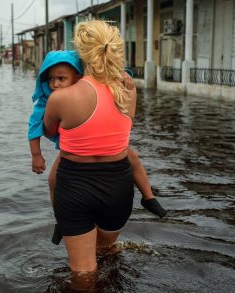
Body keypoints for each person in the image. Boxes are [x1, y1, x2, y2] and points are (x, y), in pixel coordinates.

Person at [43, 20, 165, 274]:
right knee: (108, 253)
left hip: (74, 185)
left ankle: (61, 224)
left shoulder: (61, 97)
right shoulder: (127, 90)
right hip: (118, 186)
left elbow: (49, 131)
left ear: (81, 53)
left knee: (83, 271)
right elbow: (124, 127)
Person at [29, 50, 166, 244]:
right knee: (52, 180)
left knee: (133, 158)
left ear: (76, 77)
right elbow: (35, 127)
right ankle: (60, 220)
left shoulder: (89, 90)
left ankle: (149, 197)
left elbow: (110, 72)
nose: (55, 84)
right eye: (51, 80)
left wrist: (125, 75)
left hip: (105, 147)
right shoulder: (48, 101)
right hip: (74, 149)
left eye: (61, 78)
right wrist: (36, 154)